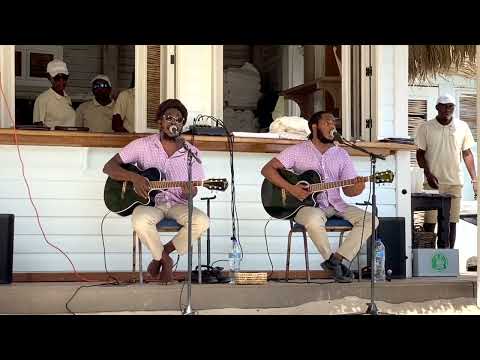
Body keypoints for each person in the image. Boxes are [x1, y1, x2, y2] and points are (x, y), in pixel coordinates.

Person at [261, 111, 379, 283]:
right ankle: (332, 261)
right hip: (306, 207)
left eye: (334, 123)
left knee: (371, 220)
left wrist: (359, 187)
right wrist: (292, 189)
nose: (332, 126)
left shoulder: (341, 154)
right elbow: (267, 170)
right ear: (314, 127)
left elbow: (348, 191)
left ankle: (336, 260)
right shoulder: (297, 151)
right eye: (327, 122)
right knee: (314, 219)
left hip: (337, 205)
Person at [103, 99, 209, 283]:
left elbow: (192, 193)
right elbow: (109, 167)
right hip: (150, 203)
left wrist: (188, 192)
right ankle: (166, 261)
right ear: (160, 121)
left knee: (201, 221)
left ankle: (162, 255)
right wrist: (134, 178)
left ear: (182, 125)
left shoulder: (191, 152)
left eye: (179, 119)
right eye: (169, 118)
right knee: (140, 220)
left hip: (177, 204)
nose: (174, 122)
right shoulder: (142, 145)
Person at [415, 94, 477, 249]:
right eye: (443, 106)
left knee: (451, 223)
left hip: (454, 183)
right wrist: (428, 174)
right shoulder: (426, 127)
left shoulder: (462, 127)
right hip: (433, 184)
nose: (447, 109)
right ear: (437, 107)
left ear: (454, 108)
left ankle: (447, 259)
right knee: (430, 223)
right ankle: (428, 258)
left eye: (450, 106)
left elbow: (467, 153)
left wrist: (475, 179)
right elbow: (420, 154)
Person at [32, 59, 76, 129]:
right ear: (49, 77)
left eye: (64, 77)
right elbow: (38, 128)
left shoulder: (67, 98)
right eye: (57, 78)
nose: (61, 81)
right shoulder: (42, 99)